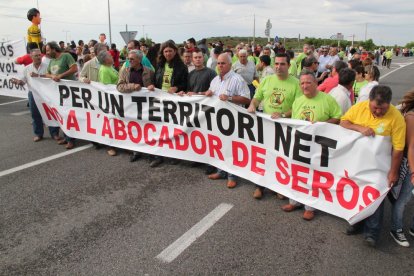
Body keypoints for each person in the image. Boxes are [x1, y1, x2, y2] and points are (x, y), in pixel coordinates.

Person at [341, 85, 406, 247]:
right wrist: (360, 128)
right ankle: (357, 222)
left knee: (375, 195)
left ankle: (372, 232)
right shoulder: (360, 107)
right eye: (375, 107)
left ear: (389, 105)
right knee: (356, 191)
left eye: (382, 109)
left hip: (379, 166)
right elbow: (344, 122)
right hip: (357, 162)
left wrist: (393, 172)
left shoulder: (396, 118)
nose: (378, 112)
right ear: (369, 101)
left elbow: (398, 149)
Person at [281, 70, 342, 220]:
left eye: (308, 82)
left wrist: (322, 125)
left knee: (312, 175)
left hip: (319, 145)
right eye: (302, 83)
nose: (305, 86)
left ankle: (310, 207)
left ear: (316, 83)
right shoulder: (298, 101)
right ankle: (294, 201)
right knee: (295, 172)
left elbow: (338, 118)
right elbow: (295, 122)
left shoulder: (327, 100)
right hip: (300, 143)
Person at [248, 53, 301, 199]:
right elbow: (257, 98)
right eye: (276, 64)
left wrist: (283, 114)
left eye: (282, 64)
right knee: (263, 156)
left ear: (289, 66)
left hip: (285, 127)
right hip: (266, 125)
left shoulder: (296, 83)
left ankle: (280, 187)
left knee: (281, 158)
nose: (278, 67)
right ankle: (259, 186)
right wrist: (252, 106)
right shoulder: (267, 80)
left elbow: (298, 107)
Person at [207, 53, 251, 189]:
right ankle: (221, 171)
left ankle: (232, 176)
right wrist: (205, 93)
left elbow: (247, 99)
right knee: (220, 146)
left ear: (230, 64)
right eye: (218, 63)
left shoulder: (238, 79)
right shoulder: (215, 80)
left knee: (232, 148)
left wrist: (230, 98)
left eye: (223, 63)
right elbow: (210, 94)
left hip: (233, 121)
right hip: (217, 120)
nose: (220, 65)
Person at [10, 48, 61, 142]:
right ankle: (38, 134)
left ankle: (54, 133)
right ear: (31, 57)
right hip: (33, 93)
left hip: (47, 94)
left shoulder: (47, 66)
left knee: (51, 113)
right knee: (35, 114)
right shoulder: (27, 68)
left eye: (39, 55)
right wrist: (17, 82)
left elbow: (52, 78)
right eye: (36, 56)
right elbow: (23, 82)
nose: (38, 57)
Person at [151, 41, 189, 167]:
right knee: (159, 128)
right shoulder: (160, 65)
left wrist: (176, 88)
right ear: (162, 52)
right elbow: (156, 80)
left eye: (170, 51)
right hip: (159, 100)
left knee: (173, 128)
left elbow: (185, 84)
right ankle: (158, 155)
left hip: (174, 102)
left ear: (175, 51)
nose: (168, 53)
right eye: (165, 51)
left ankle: (174, 154)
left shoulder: (182, 66)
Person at [388, 90, 414, 247]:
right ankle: (396, 228)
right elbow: (411, 147)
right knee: (403, 198)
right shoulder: (411, 117)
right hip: (408, 163)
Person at [45, 41, 78, 149]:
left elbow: (74, 69)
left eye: (48, 50)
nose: (47, 52)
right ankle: (66, 136)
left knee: (69, 115)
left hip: (69, 91)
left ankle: (71, 140)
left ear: (54, 49)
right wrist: (52, 76)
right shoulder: (52, 61)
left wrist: (61, 76)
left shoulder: (66, 56)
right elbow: (47, 73)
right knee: (62, 115)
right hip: (58, 93)